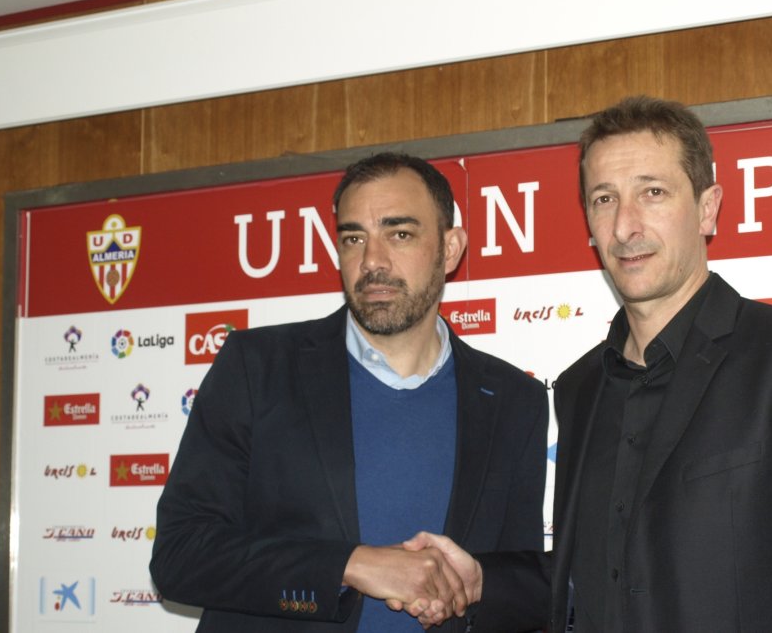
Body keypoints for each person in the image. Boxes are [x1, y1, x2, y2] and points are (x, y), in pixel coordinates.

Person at [408, 96, 772, 631]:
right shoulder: (580, 387)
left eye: (653, 193)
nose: (625, 227)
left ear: (708, 208)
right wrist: (480, 579)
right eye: (604, 199)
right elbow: (593, 579)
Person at [150, 152, 549, 632]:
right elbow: (180, 556)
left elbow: (522, 589)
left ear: (450, 248)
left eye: (399, 234)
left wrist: (479, 582)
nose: (372, 261)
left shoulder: (513, 399)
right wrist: (350, 565)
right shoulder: (256, 368)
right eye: (353, 238)